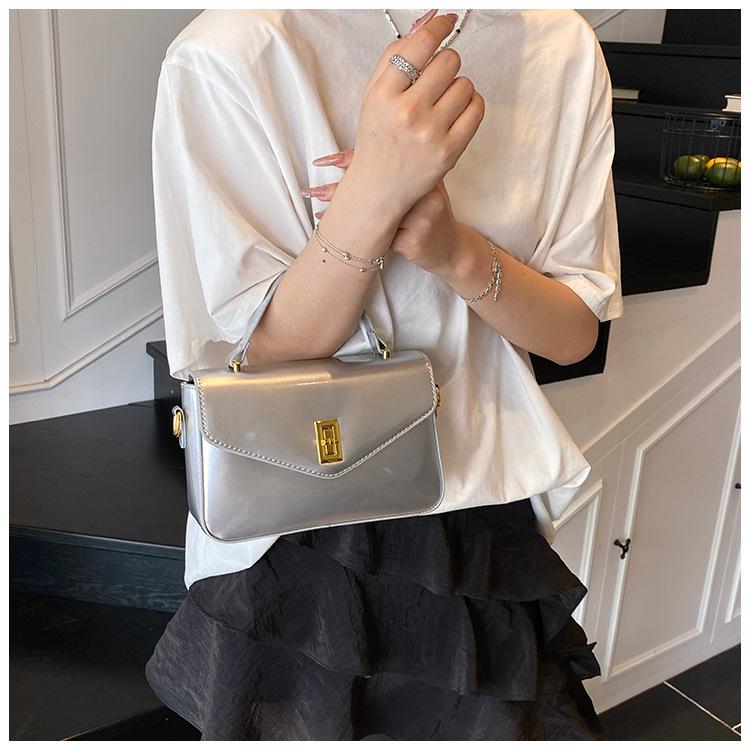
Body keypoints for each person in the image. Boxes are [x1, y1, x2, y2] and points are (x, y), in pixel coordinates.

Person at [145, 8, 623, 741]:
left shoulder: (561, 45)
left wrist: (452, 249)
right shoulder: (233, 49)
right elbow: (252, 358)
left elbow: (573, 335)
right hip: (300, 522)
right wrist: (373, 195)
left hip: (482, 519)